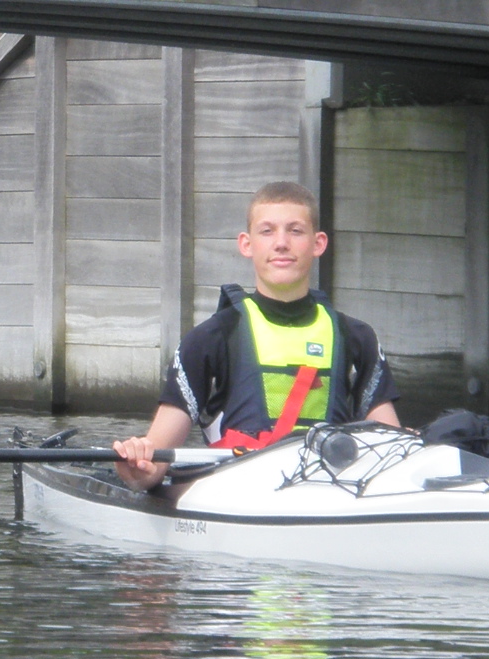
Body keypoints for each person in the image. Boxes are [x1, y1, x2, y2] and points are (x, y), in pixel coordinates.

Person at [112, 181, 401, 490]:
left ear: (318, 244)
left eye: (295, 231)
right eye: (267, 231)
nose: (281, 243)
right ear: (246, 244)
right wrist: (137, 466)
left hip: (331, 490)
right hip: (241, 492)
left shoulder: (358, 338)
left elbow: (393, 448)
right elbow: (153, 466)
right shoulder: (210, 339)